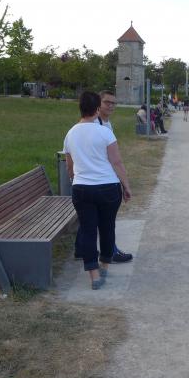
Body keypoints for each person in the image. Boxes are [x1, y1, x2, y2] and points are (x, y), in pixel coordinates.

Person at [64, 91, 132, 290]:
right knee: (107, 227)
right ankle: (105, 266)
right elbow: (116, 162)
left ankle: (93, 275)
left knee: (88, 230)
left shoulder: (70, 134)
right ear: (96, 109)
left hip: (82, 188)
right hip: (108, 187)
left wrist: (75, 180)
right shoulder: (105, 132)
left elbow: (69, 166)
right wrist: (126, 186)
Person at [95, 91, 133, 263]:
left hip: (100, 177)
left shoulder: (106, 123)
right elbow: (113, 159)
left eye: (113, 103)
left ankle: (82, 249)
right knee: (106, 221)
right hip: (101, 179)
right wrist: (124, 184)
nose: (111, 105)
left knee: (94, 220)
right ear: (98, 103)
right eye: (107, 102)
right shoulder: (95, 124)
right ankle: (111, 251)